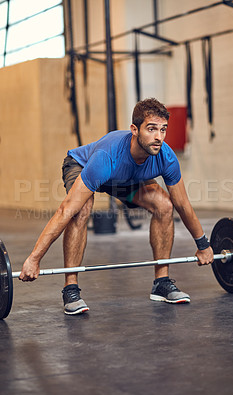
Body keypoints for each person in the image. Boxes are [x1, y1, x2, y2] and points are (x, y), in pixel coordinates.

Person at [20, 98, 214, 315]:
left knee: (164, 205)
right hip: (84, 165)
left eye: (163, 130)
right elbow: (66, 209)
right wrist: (34, 259)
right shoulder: (106, 157)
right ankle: (71, 288)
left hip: (124, 178)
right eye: (151, 129)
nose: (158, 137)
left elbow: (182, 204)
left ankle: (161, 282)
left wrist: (203, 245)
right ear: (134, 129)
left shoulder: (165, 157)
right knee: (81, 209)